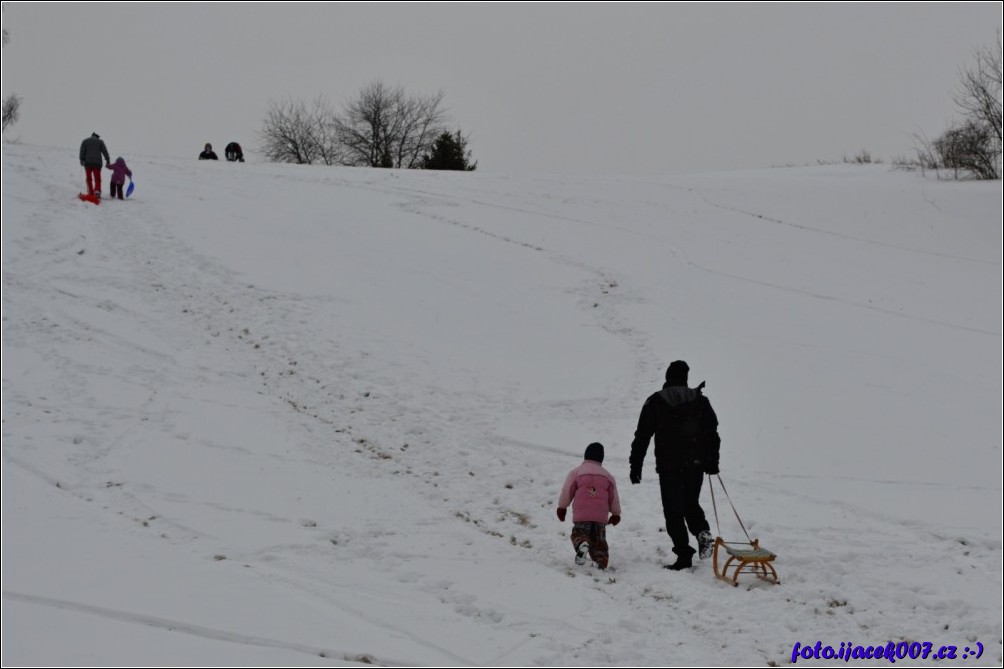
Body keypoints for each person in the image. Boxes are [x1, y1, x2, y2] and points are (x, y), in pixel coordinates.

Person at [629, 360, 721, 571]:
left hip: (669, 466)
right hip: (695, 465)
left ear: (668, 377)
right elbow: (712, 433)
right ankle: (702, 532)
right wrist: (712, 462)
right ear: (685, 377)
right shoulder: (700, 400)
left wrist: (636, 466)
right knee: (691, 503)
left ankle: (684, 556)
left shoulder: (655, 401)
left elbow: (642, 436)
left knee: (673, 511)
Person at [556, 442, 621, 570]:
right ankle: (601, 563)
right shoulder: (608, 476)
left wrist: (562, 507)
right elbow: (614, 497)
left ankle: (582, 544)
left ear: (585, 455)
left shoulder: (576, 472)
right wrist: (615, 514)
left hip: (582, 514)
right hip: (600, 516)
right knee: (599, 542)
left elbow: (567, 491)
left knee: (579, 533)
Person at [79, 132, 110, 198]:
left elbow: (82, 150)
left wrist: (81, 159)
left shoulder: (85, 141)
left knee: (89, 179)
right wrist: (107, 159)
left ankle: (90, 192)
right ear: (97, 137)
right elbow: (104, 151)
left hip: (88, 163)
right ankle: (97, 192)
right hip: (97, 163)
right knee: (97, 179)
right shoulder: (100, 142)